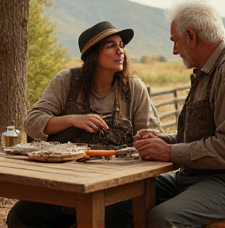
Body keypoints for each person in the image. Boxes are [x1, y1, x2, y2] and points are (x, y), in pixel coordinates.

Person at [133, 0, 225, 228]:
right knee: (125, 199)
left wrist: (170, 152)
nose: (173, 51)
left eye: (175, 41)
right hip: (200, 177)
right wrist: (163, 141)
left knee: (162, 218)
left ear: (191, 36)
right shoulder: (208, 73)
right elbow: (204, 138)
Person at [7, 20, 159, 228]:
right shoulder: (66, 81)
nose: (120, 51)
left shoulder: (133, 88)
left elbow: (151, 135)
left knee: (116, 216)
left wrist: (145, 140)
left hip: (114, 184)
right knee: (21, 215)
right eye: (111, 46)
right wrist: (72, 119)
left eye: (121, 45)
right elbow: (32, 122)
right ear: (93, 55)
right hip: (64, 182)